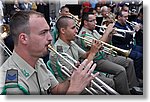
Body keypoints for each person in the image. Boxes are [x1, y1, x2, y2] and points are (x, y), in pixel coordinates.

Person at [0, 10, 99, 95]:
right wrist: (74, 90)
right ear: (24, 38)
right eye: (43, 33)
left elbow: (56, 89)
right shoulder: (13, 85)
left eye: (48, 32)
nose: (50, 38)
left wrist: (73, 78)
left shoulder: (38, 61)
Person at [50, 16, 117, 95]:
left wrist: (94, 48)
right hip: (69, 85)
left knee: (110, 83)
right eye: (73, 28)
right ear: (63, 30)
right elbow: (77, 75)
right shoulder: (59, 51)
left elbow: (85, 55)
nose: (76, 30)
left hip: (79, 77)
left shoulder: (71, 42)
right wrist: (92, 53)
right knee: (104, 91)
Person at [77, 12, 141, 94]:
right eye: (93, 21)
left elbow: (105, 42)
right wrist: (107, 32)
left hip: (104, 55)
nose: (96, 22)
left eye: (95, 20)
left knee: (129, 61)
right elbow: (98, 44)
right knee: (120, 70)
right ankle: (125, 94)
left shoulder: (93, 31)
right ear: (85, 22)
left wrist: (110, 35)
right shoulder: (84, 34)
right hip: (95, 60)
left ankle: (132, 87)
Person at [113, 11, 143, 80]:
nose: (127, 19)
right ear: (119, 17)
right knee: (139, 56)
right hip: (122, 48)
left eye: (127, 17)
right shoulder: (116, 27)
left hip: (130, 46)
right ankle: (137, 77)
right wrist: (134, 31)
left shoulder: (126, 24)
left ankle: (141, 72)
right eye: (125, 17)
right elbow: (124, 39)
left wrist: (138, 27)